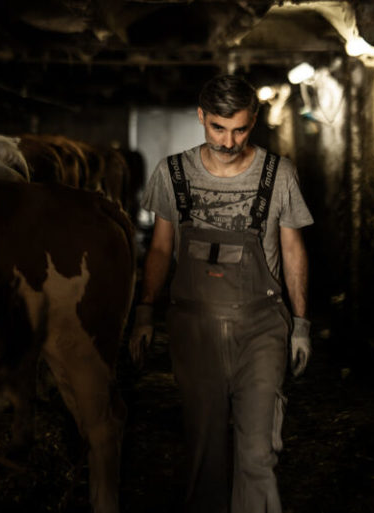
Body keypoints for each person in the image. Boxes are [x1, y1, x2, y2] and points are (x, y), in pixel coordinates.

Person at [129, 74, 313, 513]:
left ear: (254, 123)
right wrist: (144, 311)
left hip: (262, 325)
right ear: (201, 117)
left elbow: (292, 249)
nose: (229, 141)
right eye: (218, 128)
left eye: (240, 130)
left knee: (258, 453)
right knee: (204, 449)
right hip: (195, 328)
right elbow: (159, 246)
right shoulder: (172, 173)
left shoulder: (279, 174)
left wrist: (301, 324)